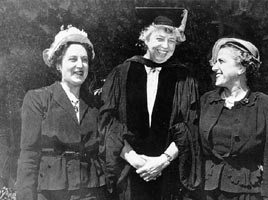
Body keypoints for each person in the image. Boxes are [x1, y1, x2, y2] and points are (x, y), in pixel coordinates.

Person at [99, 8, 201, 200]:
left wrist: (162, 161)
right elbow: (109, 123)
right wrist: (135, 161)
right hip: (130, 171)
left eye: (172, 41)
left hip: (168, 172)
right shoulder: (122, 73)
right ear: (146, 38)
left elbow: (190, 125)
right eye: (160, 39)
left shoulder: (184, 77)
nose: (166, 46)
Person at [16, 25, 108, 200]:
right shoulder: (38, 99)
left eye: (85, 60)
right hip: (51, 192)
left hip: (90, 192)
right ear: (59, 64)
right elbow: (29, 154)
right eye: (72, 59)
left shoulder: (95, 104)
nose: (80, 65)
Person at [199, 38, 268, 200]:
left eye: (221, 61)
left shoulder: (267, 106)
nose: (214, 67)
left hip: (247, 193)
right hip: (206, 192)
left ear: (241, 68)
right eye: (215, 62)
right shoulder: (206, 101)